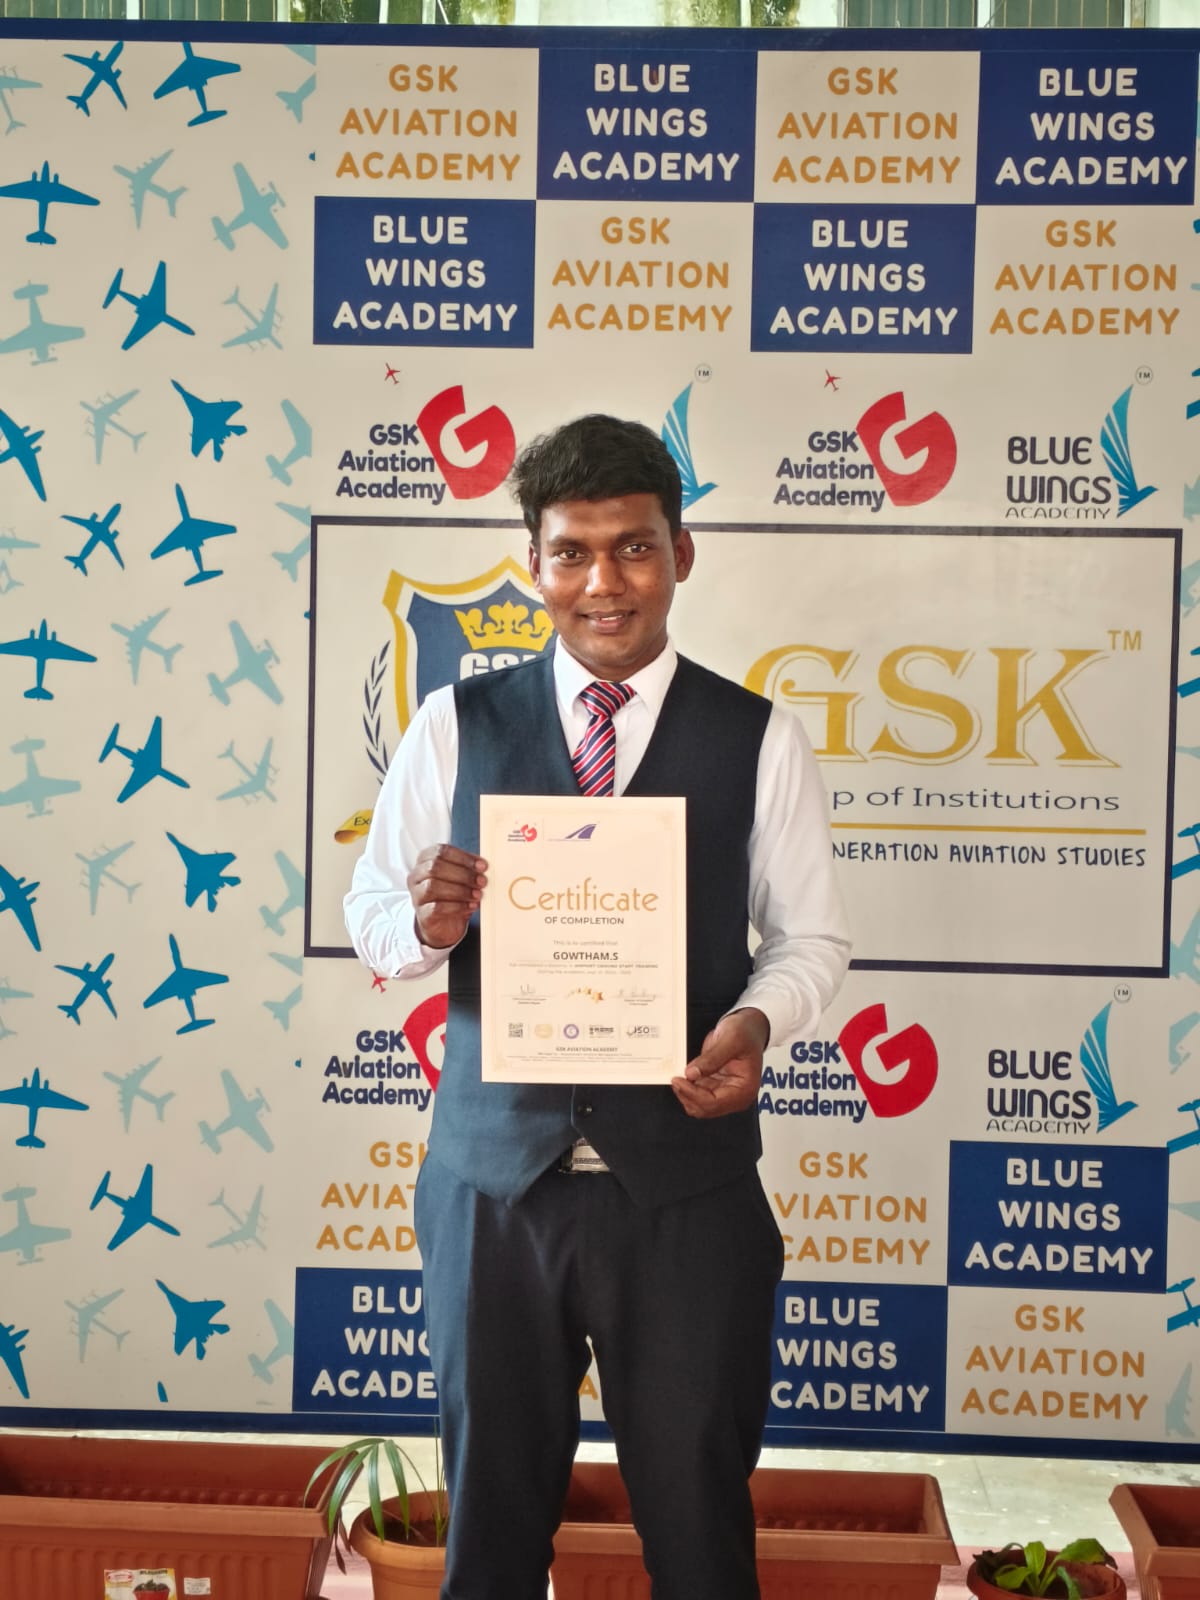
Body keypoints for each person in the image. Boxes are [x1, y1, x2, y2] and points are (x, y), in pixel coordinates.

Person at [344, 413, 850, 1600]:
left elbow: (810, 940)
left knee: (699, 1524)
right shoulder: (456, 724)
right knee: (489, 1530)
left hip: (685, 1191)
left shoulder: (759, 738)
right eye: (572, 552)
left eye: (633, 548)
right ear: (535, 563)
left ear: (682, 553)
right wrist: (428, 925)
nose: (603, 582)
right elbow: (374, 914)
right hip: (492, 1190)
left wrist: (756, 1025)